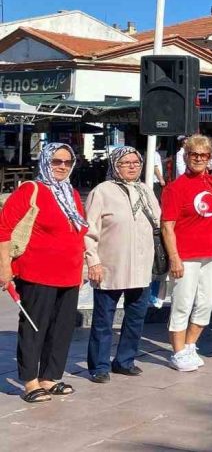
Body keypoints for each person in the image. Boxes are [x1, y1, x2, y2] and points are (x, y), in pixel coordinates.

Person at [0, 143, 87, 402]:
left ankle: (50, 377)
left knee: (61, 328)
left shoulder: (70, 193)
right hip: (37, 273)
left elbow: (79, 233)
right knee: (34, 327)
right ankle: (30, 381)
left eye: (67, 162)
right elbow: (3, 229)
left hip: (69, 273)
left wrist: (82, 266)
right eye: (56, 162)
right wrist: (4, 267)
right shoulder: (31, 190)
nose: (61, 166)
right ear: (45, 161)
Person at [84, 147, 159, 382]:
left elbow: (158, 221)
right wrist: (93, 261)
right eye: (126, 163)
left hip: (141, 267)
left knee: (136, 317)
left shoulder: (146, 191)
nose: (132, 166)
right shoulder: (102, 192)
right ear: (115, 165)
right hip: (111, 267)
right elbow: (89, 230)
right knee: (104, 320)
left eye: (136, 162)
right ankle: (99, 366)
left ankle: (125, 361)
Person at [161, 134, 212, 372]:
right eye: (194, 154)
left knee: (207, 301)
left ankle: (190, 345)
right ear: (186, 156)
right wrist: (174, 257)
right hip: (186, 255)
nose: (198, 159)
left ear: (209, 158)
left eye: (203, 155)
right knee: (182, 303)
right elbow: (167, 226)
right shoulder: (175, 188)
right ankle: (177, 352)